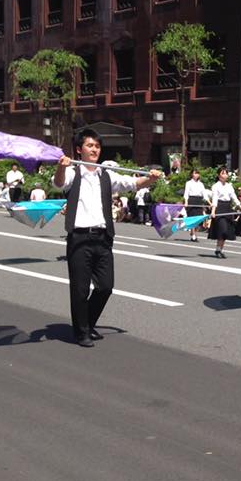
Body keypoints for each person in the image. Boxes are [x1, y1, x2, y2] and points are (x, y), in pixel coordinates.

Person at [53, 129, 162, 347]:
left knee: (105, 287)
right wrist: (61, 167)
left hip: (103, 238)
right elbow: (58, 183)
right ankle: (81, 332)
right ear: (79, 149)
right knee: (80, 289)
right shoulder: (73, 172)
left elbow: (132, 184)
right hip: (79, 238)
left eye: (97, 146)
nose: (94, 150)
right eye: (90, 146)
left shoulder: (106, 174)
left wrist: (150, 178)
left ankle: (87, 323)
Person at [209, 167, 241, 258]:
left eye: (226, 173)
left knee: (226, 232)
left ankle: (219, 250)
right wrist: (213, 211)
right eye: (223, 173)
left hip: (228, 208)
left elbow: (235, 198)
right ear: (219, 175)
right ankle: (218, 249)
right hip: (219, 208)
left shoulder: (229, 186)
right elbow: (215, 199)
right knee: (222, 229)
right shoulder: (215, 186)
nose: (225, 175)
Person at [182, 169, 209, 242]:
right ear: (192, 174)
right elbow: (186, 193)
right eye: (195, 173)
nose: (196, 175)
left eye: (197, 173)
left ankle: (193, 232)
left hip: (199, 201)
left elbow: (204, 194)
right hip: (191, 200)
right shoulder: (188, 183)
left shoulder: (201, 184)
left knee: (198, 219)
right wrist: (186, 202)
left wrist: (210, 203)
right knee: (192, 218)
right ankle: (194, 235)